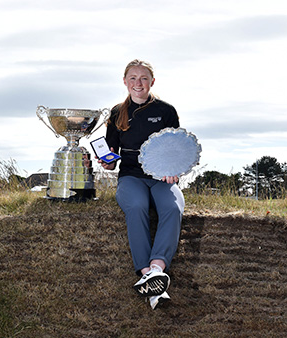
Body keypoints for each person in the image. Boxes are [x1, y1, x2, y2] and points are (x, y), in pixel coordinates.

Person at [100, 59, 185, 310]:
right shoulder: (116, 113)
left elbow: (177, 148)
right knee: (136, 206)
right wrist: (107, 163)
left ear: (152, 82)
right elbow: (111, 157)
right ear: (125, 82)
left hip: (161, 178)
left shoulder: (166, 111)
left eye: (144, 78)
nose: (139, 83)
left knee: (172, 208)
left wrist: (173, 171)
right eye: (133, 78)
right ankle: (147, 273)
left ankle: (157, 269)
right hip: (131, 177)